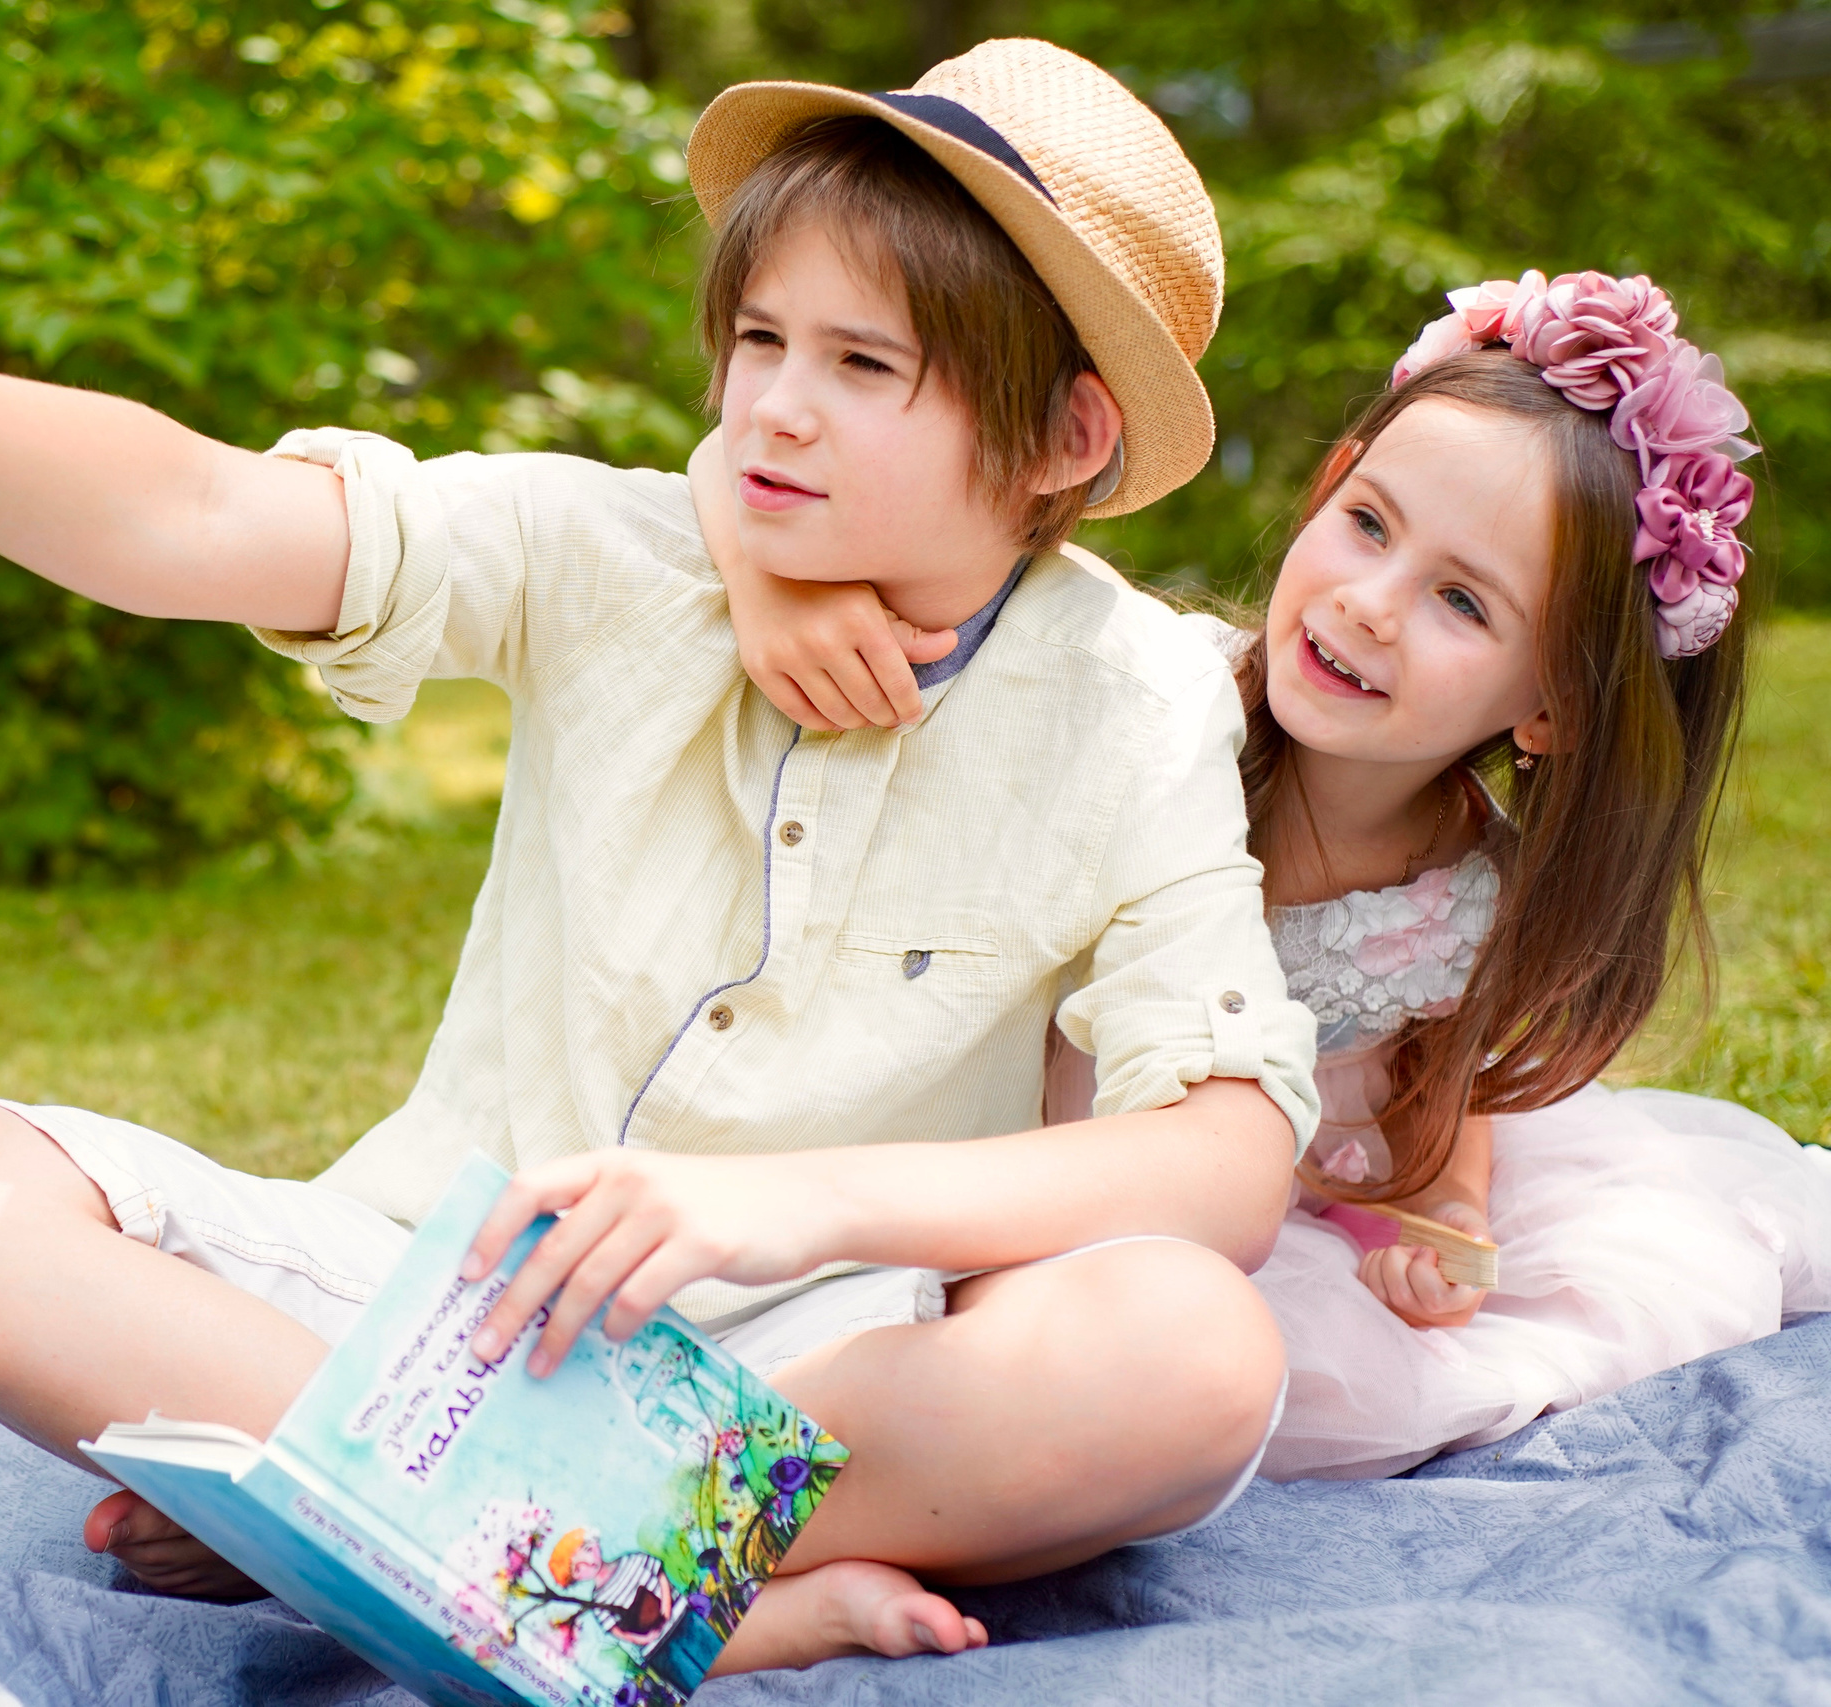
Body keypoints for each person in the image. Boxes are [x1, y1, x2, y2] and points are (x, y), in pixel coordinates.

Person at [0, 40, 1319, 1670]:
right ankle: (630, 1588)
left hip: (801, 1374)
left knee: (1193, 1352)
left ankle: (391, 1532)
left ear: (1067, 432)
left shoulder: (1142, 696)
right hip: (412, 1300)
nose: (769, 406)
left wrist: (794, 1208)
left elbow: (1223, 1154)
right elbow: (199, 511)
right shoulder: (617, 556)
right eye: (758, 338)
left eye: (864, 362)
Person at [710, 266, 1831, 1482]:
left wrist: (1447, 1213)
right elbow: (733, 466)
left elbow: (1434, 1083)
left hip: (1228, 1220)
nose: (1369, 604)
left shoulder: (1463, 894)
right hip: (988, 1153)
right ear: (1326, 483)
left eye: (1462, 600)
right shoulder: (1144, 692)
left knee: (1563, 1291)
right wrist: (767, 589)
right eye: (1367, 523)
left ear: (1554, 706)